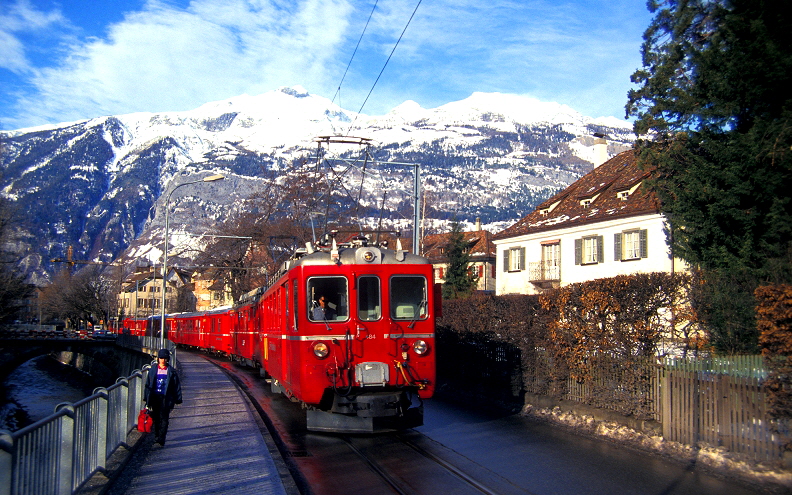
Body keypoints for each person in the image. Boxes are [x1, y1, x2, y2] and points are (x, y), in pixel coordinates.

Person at [144, 348, 182, 446]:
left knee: (164, 418)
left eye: (165, 358)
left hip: (166, 398)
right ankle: (157, 435)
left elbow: (176, 386)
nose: (163, 360)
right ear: (158, 359)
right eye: (161, 358)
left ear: (168, 359)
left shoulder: (171, 371)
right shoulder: (153, 370)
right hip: (155, 397)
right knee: (156, 418)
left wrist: (178, 398)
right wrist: (146, 398)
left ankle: (161, 438)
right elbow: (148, 385)